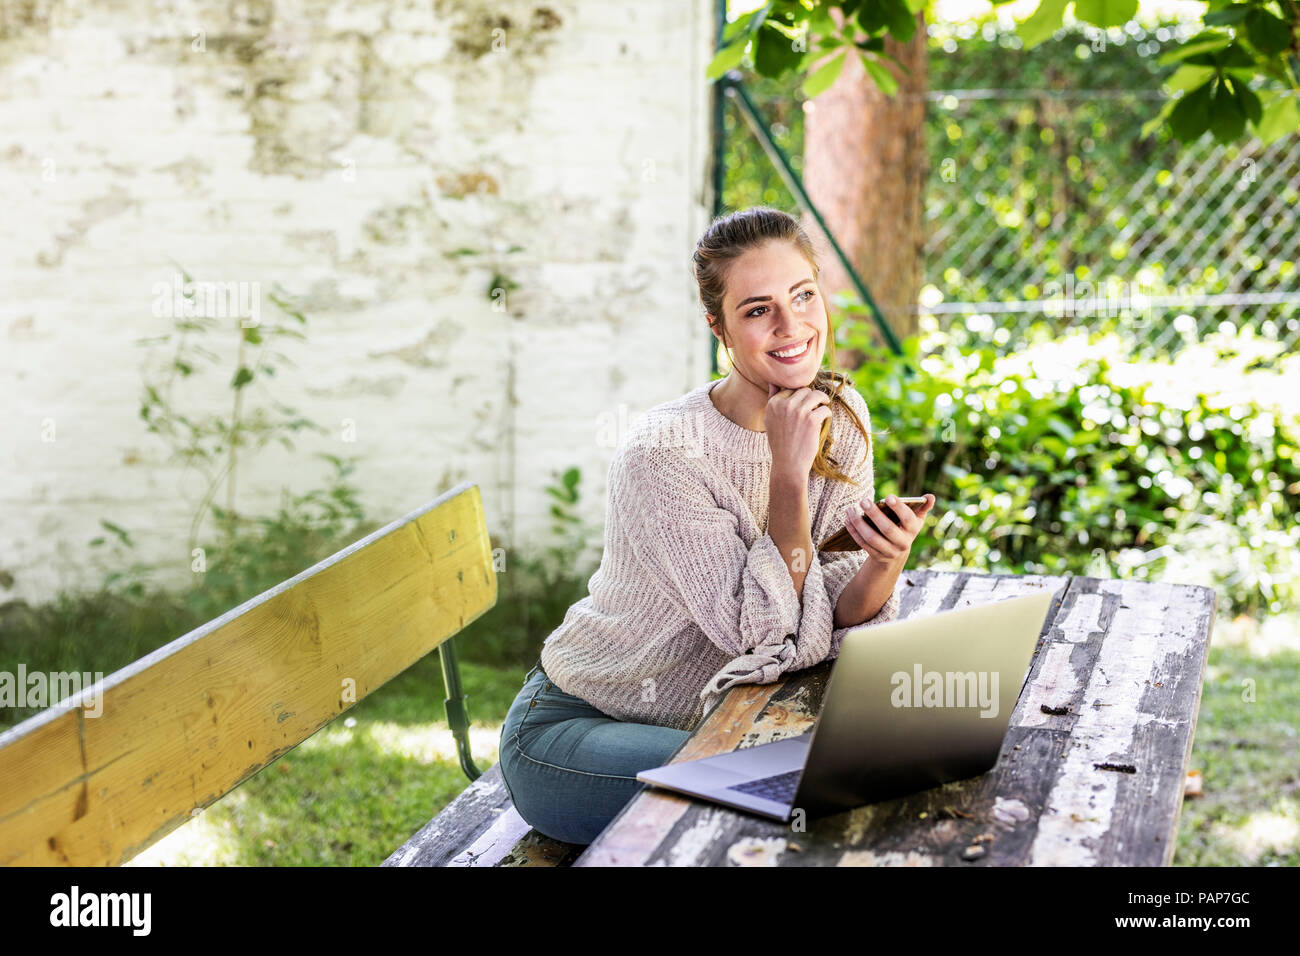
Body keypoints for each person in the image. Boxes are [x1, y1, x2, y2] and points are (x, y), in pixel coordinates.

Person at [498, 206, 936, 845]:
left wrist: (883, 562)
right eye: (758, 310)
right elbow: (757, 633)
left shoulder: (840, 414)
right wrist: (787, 475)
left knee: (904, 767)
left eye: (804, 296)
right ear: (719, 327)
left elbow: (833, 604)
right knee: (798, 802)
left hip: (722, 717)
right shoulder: (664, 454)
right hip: (578, 729)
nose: (792, 327)